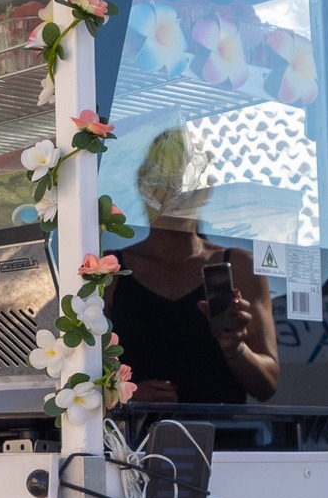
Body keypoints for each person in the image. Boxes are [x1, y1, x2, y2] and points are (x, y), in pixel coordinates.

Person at [106, 127, 280, 405]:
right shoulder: (109, 271)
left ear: (207, 189)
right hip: (133, 445)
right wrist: (126, 395)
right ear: (144, 185)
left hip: (225, 443)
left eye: (189, 180)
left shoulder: (239, 267)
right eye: (166, 180)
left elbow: (267, 385)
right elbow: (79, 375)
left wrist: (235, 347)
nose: (176, 193)